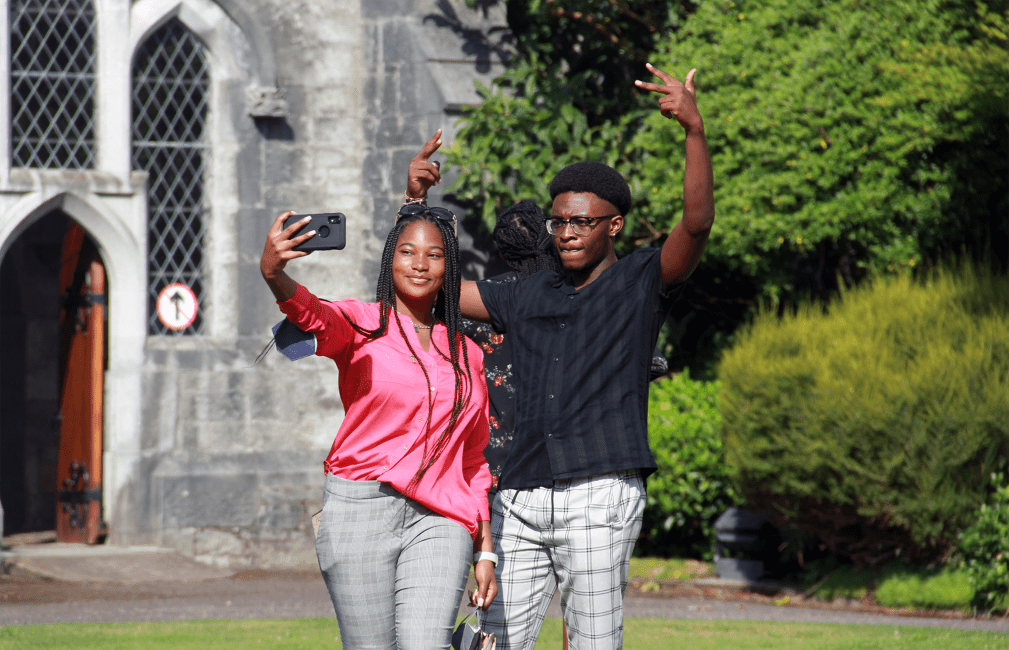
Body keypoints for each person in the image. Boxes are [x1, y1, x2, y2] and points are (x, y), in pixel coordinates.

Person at [406, 63, 715, 649]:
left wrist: (693, 132)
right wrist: (416, 204)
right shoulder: (527, 292)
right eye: (559, 221)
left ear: (614, 226)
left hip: (599, 493)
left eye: (582, 221)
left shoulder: (641, 282)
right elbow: (430, 288)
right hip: (519, 499)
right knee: (492, 642)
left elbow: (696, 225)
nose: (567, 231)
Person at [259, 205, 498, 649]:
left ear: (450, 268)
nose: (420, 263)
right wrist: (274, 272)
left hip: (441, 517)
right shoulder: (362, 324)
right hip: (360, 508)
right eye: (407, 251)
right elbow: (313, 315)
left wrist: (485, 548)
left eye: (434, 254)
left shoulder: (469, 353)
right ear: (390, 260)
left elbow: (472, 459)